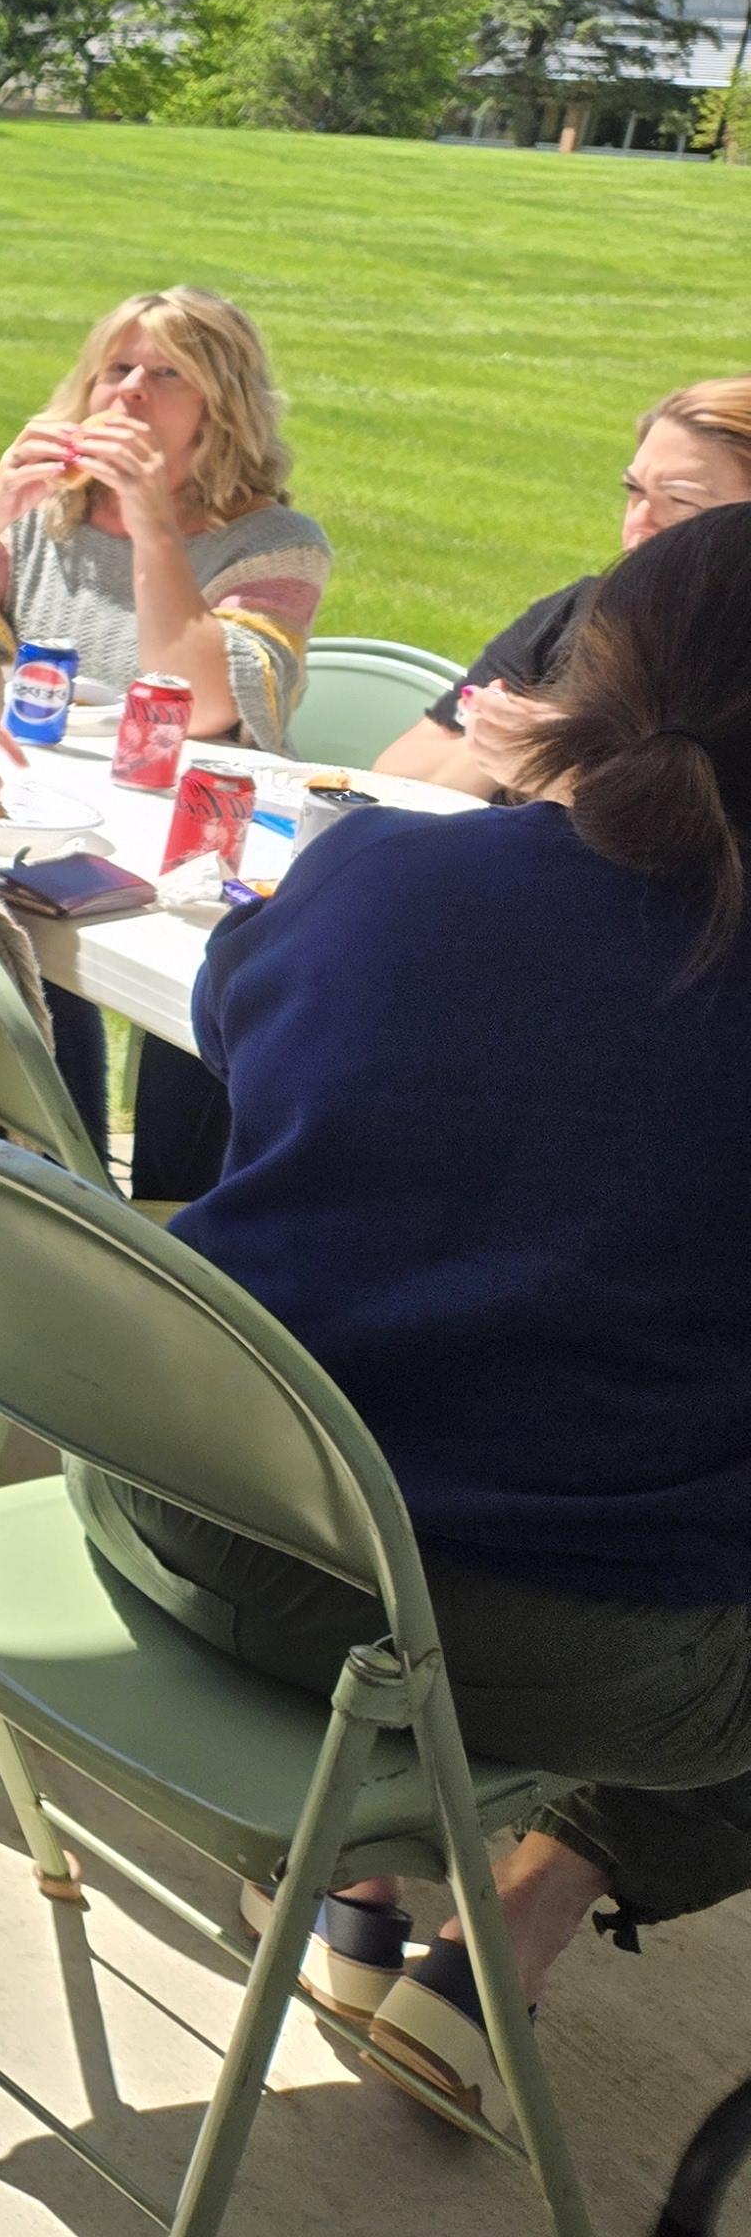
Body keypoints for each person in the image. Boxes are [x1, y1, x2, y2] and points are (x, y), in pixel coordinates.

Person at [94, 504, 751, 2147]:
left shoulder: (385, 867)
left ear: (594, 670)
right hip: (522, 1653)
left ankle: (364, 1879)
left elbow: (253, 1025)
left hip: (179, 1517)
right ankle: (505, 1925)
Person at [0, 285, 328, 1193]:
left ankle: (173, 1209)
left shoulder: (275, 543)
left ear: (221, 406)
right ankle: (65, 1187)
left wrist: (153, 518)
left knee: (202, 1003)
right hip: (50, 816)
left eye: (165, 376)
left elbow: (198, 703)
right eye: (116, 370)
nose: (128, 395)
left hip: (190, 845)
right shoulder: (52, 517)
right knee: (14, 946)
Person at [380, 378, 751, 799]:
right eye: (634, 491)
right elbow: (392, 781)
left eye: (682, 501)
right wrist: (504, 741)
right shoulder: (582, 615)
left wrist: (552, 764)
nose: (637, 527)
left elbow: (703, 847)